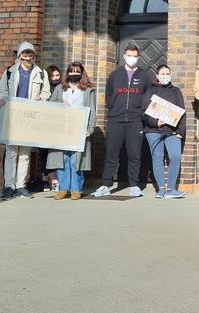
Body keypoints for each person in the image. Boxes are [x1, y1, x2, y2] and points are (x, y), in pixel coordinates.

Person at [92, 44, 153, 198]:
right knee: (111, 154)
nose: (132, 58)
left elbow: (149, 97)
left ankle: (134, 185)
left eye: (134, 56)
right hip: (115, 120)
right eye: (129, 55)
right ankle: (106, 184)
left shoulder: (144, 76)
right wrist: (114, 110)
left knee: (134, 154)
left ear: (137, 57)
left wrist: (141, 114)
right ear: (124, 56)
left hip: (135, 121)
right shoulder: (115, 75)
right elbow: (109, 95)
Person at [0, 42, 51, 200]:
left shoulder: (40, 73)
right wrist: (2, 99)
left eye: (30, 54)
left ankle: (21, 186)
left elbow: (46, 91)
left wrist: (40, 97)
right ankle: (9, 186)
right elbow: (2, 89)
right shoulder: (9, 72)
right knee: (11, 153)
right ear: (19, 55)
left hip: (30, 116)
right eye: (24, 54)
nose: (27, 57)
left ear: (33, 55)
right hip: (12, 116)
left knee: (25, 155)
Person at [46, 62, 96, 200]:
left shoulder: (88, 90)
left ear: (82, 73)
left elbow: (92, 111)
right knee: (62, 159)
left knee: (76, 160)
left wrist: (90, 129)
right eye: (72, 71)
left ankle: (76, 189)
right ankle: (63, 189)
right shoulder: (60, 89)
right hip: (62, 128)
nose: (74, 74)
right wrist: (60, 105)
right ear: (68, 73)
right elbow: (51, 105)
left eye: (77, 71)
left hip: (79, 128)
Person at [143, 65, 186, 199]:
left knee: (175, 157)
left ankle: (172, 189)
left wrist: (180, 131)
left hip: (172, 131)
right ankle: (161, 190)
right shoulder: (151, 91)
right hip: (153, 130)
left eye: (167, 73)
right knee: (157, 156)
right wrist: (155, 122)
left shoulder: (176, 91)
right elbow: (144, 112)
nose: (165, 75)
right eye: (162, 73)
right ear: (157, 76)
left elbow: (182, 112)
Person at [41, 65, 62, 191]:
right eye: (52, 76)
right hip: (45, 126)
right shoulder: (44, 89)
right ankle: (48, 179)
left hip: (58, 127)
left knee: (55, 154)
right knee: (44, 154)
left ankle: (54, 179)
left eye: (57, 75)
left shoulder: (62, 88)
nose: (55, 78)